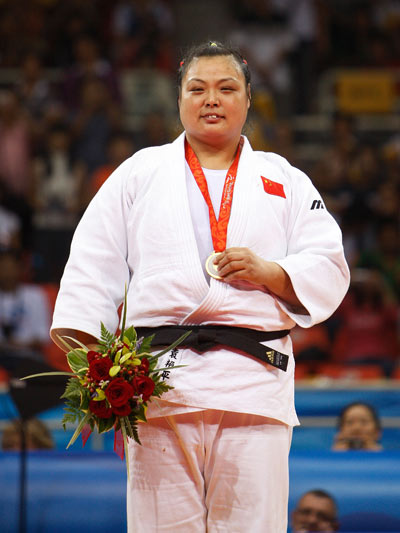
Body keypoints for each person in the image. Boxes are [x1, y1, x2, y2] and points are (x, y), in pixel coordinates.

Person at [50, 41, 350, 533]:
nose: (212, 98)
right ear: (180, 99)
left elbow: (329, 266)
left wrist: (269, 272)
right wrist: (98, 378)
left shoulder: (284, 179)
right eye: (198, 88)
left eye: (226, 88)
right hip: (158, 385)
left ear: (248, 99)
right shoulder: (139, 173)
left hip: (254, 382)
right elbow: (90, 268)